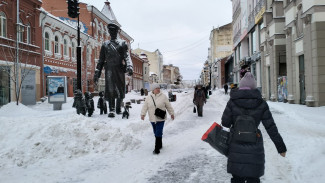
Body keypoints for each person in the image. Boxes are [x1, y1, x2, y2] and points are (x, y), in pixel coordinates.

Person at [221, 72, 287, 183]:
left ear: (241, 86)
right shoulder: (261, 103)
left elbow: (225, 123)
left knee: (237, 179)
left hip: (236, 147)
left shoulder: (232, 102)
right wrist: (281, 148)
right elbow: (271, 127)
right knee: (254, 179)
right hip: (255, 148)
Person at [93, 22, 133, 118]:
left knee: (120, 89)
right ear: (109, 32)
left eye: (114, 31)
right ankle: (112, 109)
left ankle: (118, 107)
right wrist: (97, 73)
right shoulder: (105, 45)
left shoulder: (122, 43)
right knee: (110, 89)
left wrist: (129, 67)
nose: (112, 32)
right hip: (109, 69)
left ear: (117, 32)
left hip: (119, 69)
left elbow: (127, 57)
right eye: (110, 31)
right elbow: (101, 60)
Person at [141, 83, 175, 154]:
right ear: (153, 90)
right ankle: (160, 144)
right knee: (155, 132)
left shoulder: (163, 96)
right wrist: (143, 114)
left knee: (158, 132)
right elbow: (145, 106)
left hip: (161, 118)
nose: (158, 89)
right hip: (152, 118)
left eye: (159, 88)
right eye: (157, 88)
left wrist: (171, 113)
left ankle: (156, 149)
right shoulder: (149, 97)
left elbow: (168, 106)